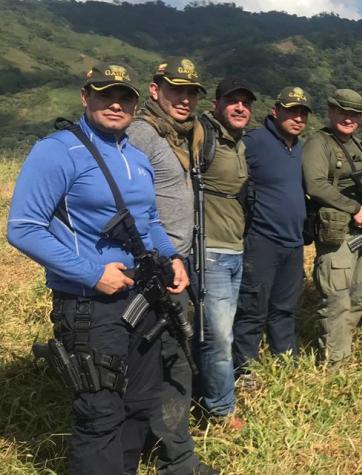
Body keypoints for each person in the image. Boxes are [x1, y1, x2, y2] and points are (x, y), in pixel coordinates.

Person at [7, 63, 213, 474]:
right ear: (86, 97)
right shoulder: (58, 150)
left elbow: (149, 221)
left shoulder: (135, 156)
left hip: (142, 299)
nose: (115, 104)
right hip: (90, 305)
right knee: (100, 413)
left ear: (136, 104)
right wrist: (92, 274)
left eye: (124, 97)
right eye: (105, 95)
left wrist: (171, 258)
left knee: (138, 404)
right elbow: (23, 228)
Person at [128, 58, 237, 456]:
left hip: (179, 258)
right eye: (176, 90)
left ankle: (169, 431)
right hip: (153, 262)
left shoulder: (182, 134)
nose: (185, 99)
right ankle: (165, 442)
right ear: (155, 90)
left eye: (191, 92)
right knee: (163, 351)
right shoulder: (142, 133)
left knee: (177, 344)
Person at [233, 87, 312, 376]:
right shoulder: (254, 141)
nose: (298, 118)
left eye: (303, 113)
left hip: (293, 242)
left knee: (285, 309)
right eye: (292, 111)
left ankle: (286, 365)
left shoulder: (300, 147)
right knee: (252, 310)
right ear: (275, 111)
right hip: (261, 240)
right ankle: (246, 370)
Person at [189, 77, 254, 419]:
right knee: (218, 336)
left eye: (245, 102)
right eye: (232, 101)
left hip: (234, 248)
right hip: (210, 250)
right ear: (216, 105)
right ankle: (221, 409)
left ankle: (198, 392)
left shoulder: (237, 142)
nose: (240, 107)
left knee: (212, 331)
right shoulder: (202, 133)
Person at [301, 89, 362, 365]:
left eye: (354, 114)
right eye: (343, 112)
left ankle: (344, 349)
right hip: (336, 232)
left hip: (360, 232)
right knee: (336, 299)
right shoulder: (318, 143)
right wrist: (354, 208)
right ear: (331, 111)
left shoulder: (358, 144)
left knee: (358, 294)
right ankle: (335, 362)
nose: (349, 118)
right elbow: (315, 185)